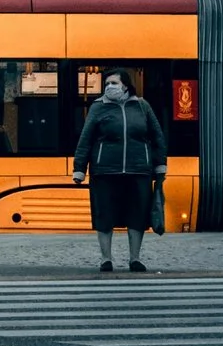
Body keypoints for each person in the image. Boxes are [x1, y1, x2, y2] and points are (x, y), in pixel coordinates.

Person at [71, 70, 167, 273]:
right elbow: (85, 139)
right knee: (105, 215)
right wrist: (79, 168)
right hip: (105, 171)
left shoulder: (142, 106)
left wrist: (160, 165)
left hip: (138, 170)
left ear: (125, 85)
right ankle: (106, 259)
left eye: (113, 83)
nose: (109, 87)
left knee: (137, 215)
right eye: (107, 84)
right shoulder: (98, 107)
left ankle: (135, 259)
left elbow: (157, 136)